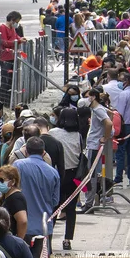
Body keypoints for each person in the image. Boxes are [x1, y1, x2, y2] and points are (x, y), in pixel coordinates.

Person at [15, 136, 60, 258]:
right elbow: (55, 201)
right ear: (44, 152)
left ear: (26, 151)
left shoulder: (18, 165)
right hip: (44, 227)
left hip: (22, 226)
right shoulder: (53, 172)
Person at [49, 107, 84, 250]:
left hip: (57, 174)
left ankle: (49, 238)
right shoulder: (78, 135)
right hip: (74, 175)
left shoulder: (53, 133)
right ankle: (67, 239)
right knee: (71, 208)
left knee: (55, 207)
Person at [105, 71, 130, 187]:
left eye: (121, 81)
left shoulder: (123, 95)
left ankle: (119, 179)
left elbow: (120, 113)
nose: (119, 83)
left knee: (120, 154)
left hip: (124, 126)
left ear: (127, 81)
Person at [0, 164, 28, 239]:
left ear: (12, 181)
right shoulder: (5, 197)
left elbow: (23, 221)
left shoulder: (16, 198)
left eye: (2, 180)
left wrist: (19, 240)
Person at [0, 11, 22, 103]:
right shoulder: (2, 28)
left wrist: (20, 39)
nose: (16, 24)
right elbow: (4, 42)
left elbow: (16, 36)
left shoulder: (12, 28)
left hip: (12, 56)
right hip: (5, 57)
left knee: (11, 79)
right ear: (12, 20)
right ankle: (2, 99)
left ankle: (8, 100)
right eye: (16, 21)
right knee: (5, 79)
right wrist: (17, 42)